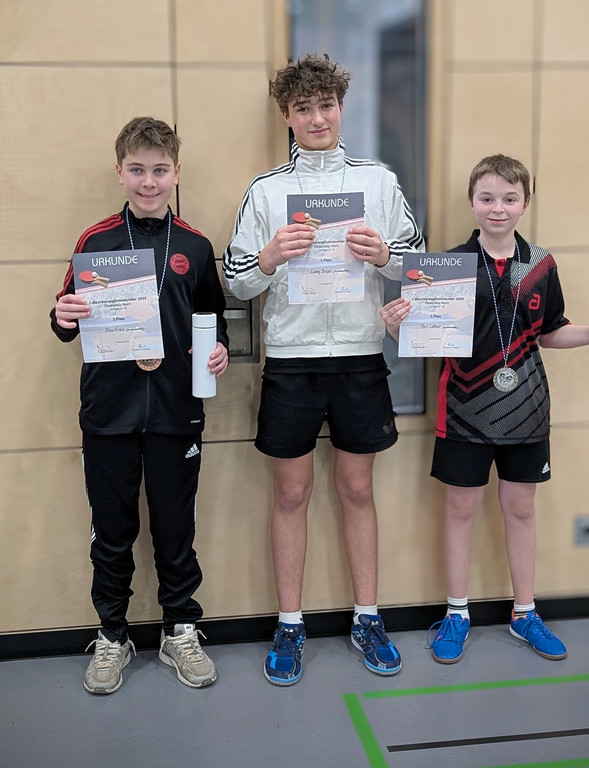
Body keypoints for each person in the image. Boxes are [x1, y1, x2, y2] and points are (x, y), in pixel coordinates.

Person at [223, 54, 424, 685]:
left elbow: (415, 264)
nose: (317, 118)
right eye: (303, 108)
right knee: (291, 493)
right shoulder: (265, 191)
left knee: (358, 490)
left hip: (361, 358)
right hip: (292, 361)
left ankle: (367, 617)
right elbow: (235, 281)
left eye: (326, 105)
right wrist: (270, 257)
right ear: (287, 115)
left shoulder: (379, 182)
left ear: (341, 108)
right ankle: (290, 623)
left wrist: (385, 254)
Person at [381, 154, 589, 665]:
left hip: (526, 408)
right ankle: (456, 613)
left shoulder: (541, 265)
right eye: (488, 198)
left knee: (521, 509)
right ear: (472, 202)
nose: (498, 208)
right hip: (463, 408)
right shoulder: (446, 267)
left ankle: (524, 613)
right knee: (461, 510)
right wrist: (396, 326)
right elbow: (423, 338)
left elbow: (551, 330)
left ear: (525, 203)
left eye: (509, 198)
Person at [50, 116, 229, 694]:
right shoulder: (94, 242)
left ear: (176, 173)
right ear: (119, 172)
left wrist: (219, 349)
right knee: (112, 532)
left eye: (159, 170)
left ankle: (180, 630)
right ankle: (112, 635)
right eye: (137, 170)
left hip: (177, 412)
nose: (148, 182)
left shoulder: (195, 246)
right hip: (109, 413)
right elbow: (64, 321)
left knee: (176, 529)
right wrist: (62, 315)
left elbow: (214, 321)